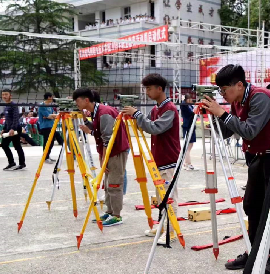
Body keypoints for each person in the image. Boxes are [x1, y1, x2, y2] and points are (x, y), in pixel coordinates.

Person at [201, 65, 270, 274]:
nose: (223, 95)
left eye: (224, 90)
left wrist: (221, 112)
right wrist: (212, 117)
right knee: (252, 205)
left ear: (239, 85)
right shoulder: (238, 101)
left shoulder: (260, 98)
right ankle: (253, 251)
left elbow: (250, 130)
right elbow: (227, 131)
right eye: (220, 91)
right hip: (257, 156)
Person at [122, 74, 181, 245]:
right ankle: (163, 225)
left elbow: (154, 128)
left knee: (169, 197)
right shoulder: (156, 109)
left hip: (169, 160)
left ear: (159, 89)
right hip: (159, 160)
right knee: (160, 196)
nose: (146, 92)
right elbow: (147, 125)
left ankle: (171, 231)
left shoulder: (169, 109)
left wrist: (137, 114)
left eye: (149, 88)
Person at [75, 88, 129, 227]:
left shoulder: (104, 112)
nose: (76, 104)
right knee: (108, 184)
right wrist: (84, 119)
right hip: (109, 150)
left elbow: (107, 139)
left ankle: (117, 216)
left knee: (114, 183)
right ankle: (110, 212)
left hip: (115, 151)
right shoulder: (96, 111)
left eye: (78, 101)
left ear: (86, 100)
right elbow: (97, 129)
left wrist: (103, 160)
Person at [1, 89, 26, 170]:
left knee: (15, 146)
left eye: (6, 94)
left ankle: (21, 163)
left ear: (10, 95)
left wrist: (12, 128)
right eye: (3, 94)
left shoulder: (13, 105)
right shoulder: (6, 105)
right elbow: (7, 119)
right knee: (6, 145)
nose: (4, 96)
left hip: (15, 128)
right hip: (9, 128)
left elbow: (16, 118)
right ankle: (12, 162)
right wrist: (4, 129)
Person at [38, 92, 64, 163]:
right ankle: (45, 157)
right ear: (49, 97)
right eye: (52, 97)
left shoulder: (50, 106)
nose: (53, 98)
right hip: (45, 126)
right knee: (47, 141)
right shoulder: (42, 105)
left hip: (52, 125)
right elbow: (48, 116)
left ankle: (47, 156)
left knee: (52, 142)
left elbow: (51, 116)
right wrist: (52, 116)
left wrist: (52, 116)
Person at [180, 94, 196, 170]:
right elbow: (183, 105)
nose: (191, 100)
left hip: (192, 126)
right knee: (187, 146)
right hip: (187, 127)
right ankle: (188, 164)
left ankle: (186, 163)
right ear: (186, 99)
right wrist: (182, 99)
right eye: (189, 98)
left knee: (191, 145)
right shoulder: (184, 105)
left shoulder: (190, 106)